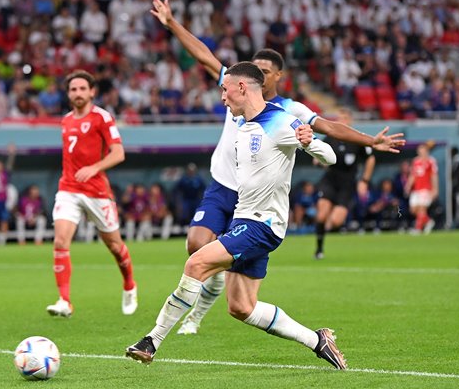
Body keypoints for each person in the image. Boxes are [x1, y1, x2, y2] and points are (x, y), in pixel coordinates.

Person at [149, 0, 406, 336]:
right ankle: (202, 300)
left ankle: (195, 314)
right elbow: (203, 55)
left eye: (266, 71)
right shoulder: (234, 90)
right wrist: (171, 23)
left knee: (223, 277)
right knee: (196, 244)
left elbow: (328, 128)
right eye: (254, 68)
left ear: (278, 76)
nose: (258, 73)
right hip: (224, 185)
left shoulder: (288, 111)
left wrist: (370, 140)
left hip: (257, 199)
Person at [125, 61, 346, 370]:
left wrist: (310, 143)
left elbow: (331, 155)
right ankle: (316, 339)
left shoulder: (282, 122)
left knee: (196, 262)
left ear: (242, 88)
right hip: (244, 220)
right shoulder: (242, 126)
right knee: (241, 307)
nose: (222, 97)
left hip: (263, 224)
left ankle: (151, 341)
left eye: (225, 90)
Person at [46, 70, 137, 318]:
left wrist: (94, 167)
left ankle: (129, 284)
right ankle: (64, 300)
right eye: (73, 89)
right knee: (60, 241)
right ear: (68, 94)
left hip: (97, 191)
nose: (78, 93)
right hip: (68, 188)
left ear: (92, 92)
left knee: (116, 247)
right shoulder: (65, 120)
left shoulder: (102, 118)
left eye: (82, 89)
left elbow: (118, 153)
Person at [313, 108, 376, 260]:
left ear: (350, 121)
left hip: (347, 183)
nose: (342, 121)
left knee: (336, 221)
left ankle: (325, 229)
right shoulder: (330, 138)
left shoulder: (356, 139)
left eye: (345, 118)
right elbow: (317, 155)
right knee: (321, 215)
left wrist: (365, 181)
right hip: (330, 180)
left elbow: (371, 159)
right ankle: (319, 249)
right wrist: (318, 160)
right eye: (339, 118)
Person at [405, 142, 438, 234]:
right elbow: (413, 175)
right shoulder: (415, 161)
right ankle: (428, 221)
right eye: (419, 151)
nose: (421, 152)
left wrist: (435, 189)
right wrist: (408, 186)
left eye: (423, 150)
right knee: (413, 209)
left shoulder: (431, 161)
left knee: (422, 209)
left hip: (426, 189)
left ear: (426, 151)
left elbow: (434, 176)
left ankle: (418, 228)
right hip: (416, 189)